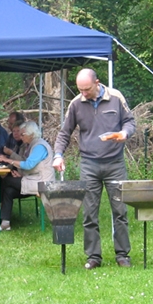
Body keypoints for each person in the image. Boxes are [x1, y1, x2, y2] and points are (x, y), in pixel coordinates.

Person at [53, 68, 136, 269]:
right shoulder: (76, 104)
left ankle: (122, 255)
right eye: (80, 89)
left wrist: (124, 133)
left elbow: (129, 121)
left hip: (115, 164)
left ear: (97, 83)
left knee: (120, 211)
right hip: (89, 164)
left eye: (87, 89)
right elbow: (64, 133)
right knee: (89, 213)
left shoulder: (115, 97)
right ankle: (93, 257)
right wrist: (58, 155)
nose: (83, 93)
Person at [0, 121, 55, 231]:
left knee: (6, 180)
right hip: (34, 179)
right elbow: (33, 167)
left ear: (31, 134)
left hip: (43, 183)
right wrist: (21, 174)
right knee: (9, 190)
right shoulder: (30, 145)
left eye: (23, 134)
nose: (20, 136)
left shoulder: (39, 146)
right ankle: (5, 223)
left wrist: (8, 160)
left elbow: (29, 165)